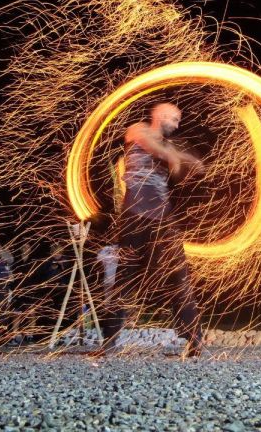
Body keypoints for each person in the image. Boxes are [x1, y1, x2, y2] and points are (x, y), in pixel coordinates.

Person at [98, 102, 206, 358]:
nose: (177, 125)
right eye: (175, 119)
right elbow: (155, 148)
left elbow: (180, 169)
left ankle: (194, 339)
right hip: (134, 219)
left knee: (179, 280)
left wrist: (188, 162)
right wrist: (179, 157)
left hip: (163, 222)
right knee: (123, 281)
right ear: (160, 116)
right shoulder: (138, 130)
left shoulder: (171, 148)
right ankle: (110, 341)